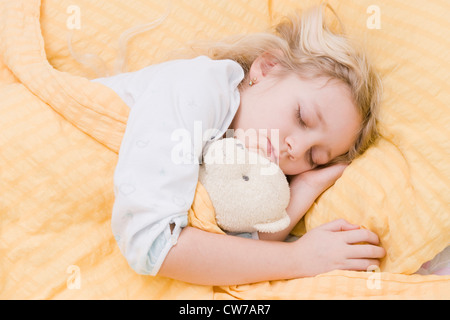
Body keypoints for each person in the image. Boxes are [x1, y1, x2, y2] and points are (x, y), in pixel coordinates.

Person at [92, 4, 385, 285]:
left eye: (314, 156)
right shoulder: (200, 86)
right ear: (267, 68)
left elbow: (228, 253)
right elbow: (153, 243)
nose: (296, 149)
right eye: (302, 118)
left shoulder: (235, 163)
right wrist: (298, 258)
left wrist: (305, 188)